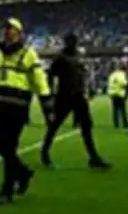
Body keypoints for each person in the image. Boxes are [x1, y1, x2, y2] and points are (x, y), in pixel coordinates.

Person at [0, 18, 53, 205]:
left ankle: (7, 190)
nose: (8, 32)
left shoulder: (28, 54)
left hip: (17, 105)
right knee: (1, 146)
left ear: (19, 33)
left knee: (9, 147)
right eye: (6, 29)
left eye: (12, 29)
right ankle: (23, 173)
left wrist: (47, 104)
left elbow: (39, 79)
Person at [40, 34, 111, 169]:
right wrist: (50, 94)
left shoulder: (78, 56)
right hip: (64, 96)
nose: (73, 44)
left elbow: (81, 74)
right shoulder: (61, 58)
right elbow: (50, 75)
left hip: (78, 96)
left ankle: (93, 157)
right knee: (55, 125)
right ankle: (44, 153)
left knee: (86, 126)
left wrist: (88, 88)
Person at [107, 62, 128, 129]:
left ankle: (116, 124)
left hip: (112, 93)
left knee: (115, 110)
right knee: (122, 110)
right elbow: (123, 83)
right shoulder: (121, 74)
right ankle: (125, 123)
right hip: (119, 93)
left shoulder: (112, 74)